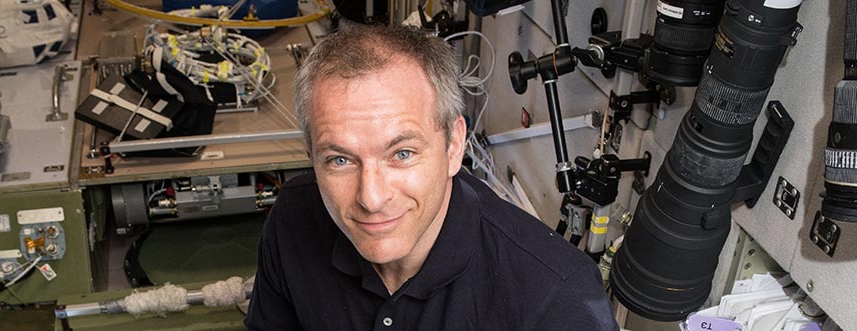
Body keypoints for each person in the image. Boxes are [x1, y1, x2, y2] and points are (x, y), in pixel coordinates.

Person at [245, 25, 619, 330]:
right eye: (340, 160)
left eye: (402, 154)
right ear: (312, 155)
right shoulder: (293, 218)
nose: (371, 198)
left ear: (454, 145)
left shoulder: (557, 301)